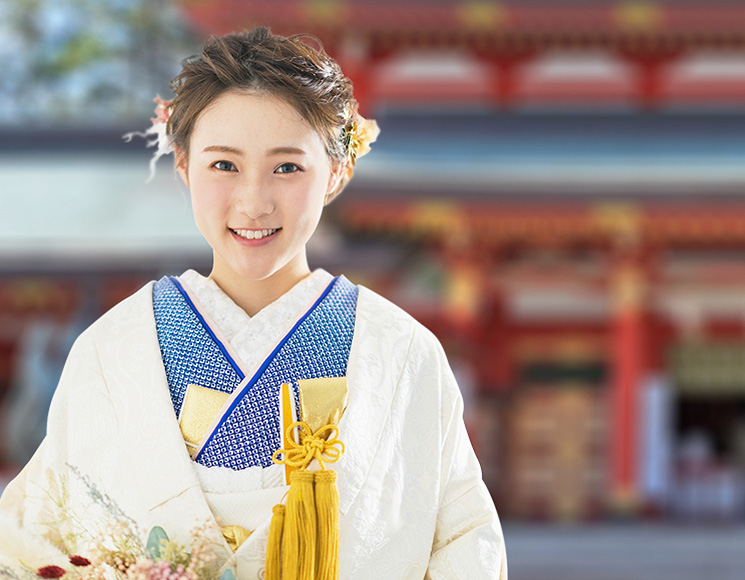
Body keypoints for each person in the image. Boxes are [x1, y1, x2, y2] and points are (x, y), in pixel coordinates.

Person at [0, 26, 507, 579]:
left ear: (337, 173)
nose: (254, 201)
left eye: (287, 167)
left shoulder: (405, 355)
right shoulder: (111, 349)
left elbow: (463, 546)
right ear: (183, 167)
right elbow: (32, 545)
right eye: (224, 165)